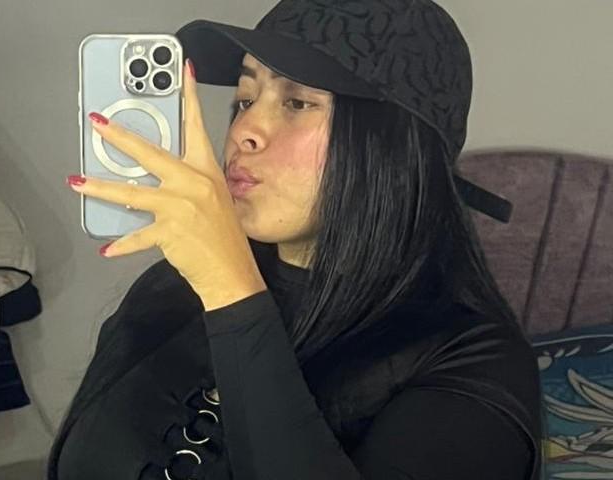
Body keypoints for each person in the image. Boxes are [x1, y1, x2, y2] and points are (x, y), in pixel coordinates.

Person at [51, 0, 543, 479]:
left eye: (297, 102)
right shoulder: (170, 289)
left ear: (395, 145)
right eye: (245, 99)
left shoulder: (477, 365)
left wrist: (230, 292)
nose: (244, 130)